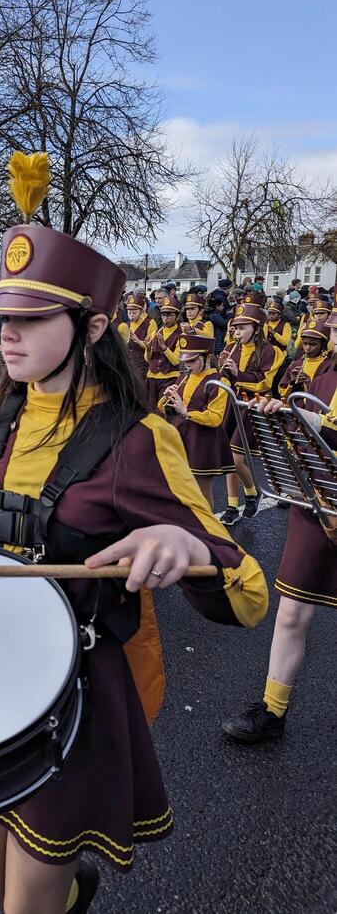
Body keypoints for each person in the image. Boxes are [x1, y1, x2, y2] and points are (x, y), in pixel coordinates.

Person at [0, 154, 268, 914]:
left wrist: (191, 556)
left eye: (30, 320)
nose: (5, 336)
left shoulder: (141, 440)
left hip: (72, 696)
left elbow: (248, 589)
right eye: (1, 319)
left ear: (94, 324)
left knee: (26, 902)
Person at [223, 305, 337, 742]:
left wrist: (311, 420)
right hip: (318, 501)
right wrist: (278, 414)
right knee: (291, 611)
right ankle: (272, 711)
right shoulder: (324, 374)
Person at [218, 303, 285, 526]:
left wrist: (239, 374)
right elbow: (223, 381)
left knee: (235, 457)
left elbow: (264, 382)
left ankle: (253, 491)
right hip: (231, 404)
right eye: (235, 328)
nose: (237, 333)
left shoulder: (271, 351)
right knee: (229, 458)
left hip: (252, 407)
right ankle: (232, 504)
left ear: (257, 329)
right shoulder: (230, 348)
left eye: (243, 327)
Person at [158, 334, 234, 509]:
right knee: (180, 489)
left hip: (202, 442)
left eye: (192, 361)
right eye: (185, 361)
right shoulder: (185, 376)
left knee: (202, 491)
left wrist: (186, 411)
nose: (187, 365)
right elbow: (164, 409)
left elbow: (215, 418)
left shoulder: (219, 382)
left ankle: (210, 531)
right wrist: (165, 397)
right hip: (181, 438)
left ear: (207, 358)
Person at [277, 317, 330, 399]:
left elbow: (328, 395)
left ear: (322, 345)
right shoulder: (296, 364)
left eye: (313, 344)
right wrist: (292, 382)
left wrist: (309, 383)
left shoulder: (328, 365)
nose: (307, 348)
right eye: (305, 344)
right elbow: (282, 393)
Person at [145, 295, 183, 408]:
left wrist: (164, 347)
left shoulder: (180, 335)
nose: (166, 318)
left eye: (170, 315)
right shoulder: (155, 333)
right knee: (150, 408)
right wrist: (147, 349)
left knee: (163, 408)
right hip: (152, 376)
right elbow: (148, 360)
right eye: (163, 315)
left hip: (169, 377)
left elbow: (176, 361)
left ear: (176, 316)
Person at [124, 291, 156, 380]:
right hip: (127, 363)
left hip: (142, 364)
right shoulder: (126, 324)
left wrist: (138, 341)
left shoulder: (150, 323)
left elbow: (152, 347)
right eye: (129, 312)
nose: (131, 315)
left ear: (141, 311)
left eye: (134, 312)